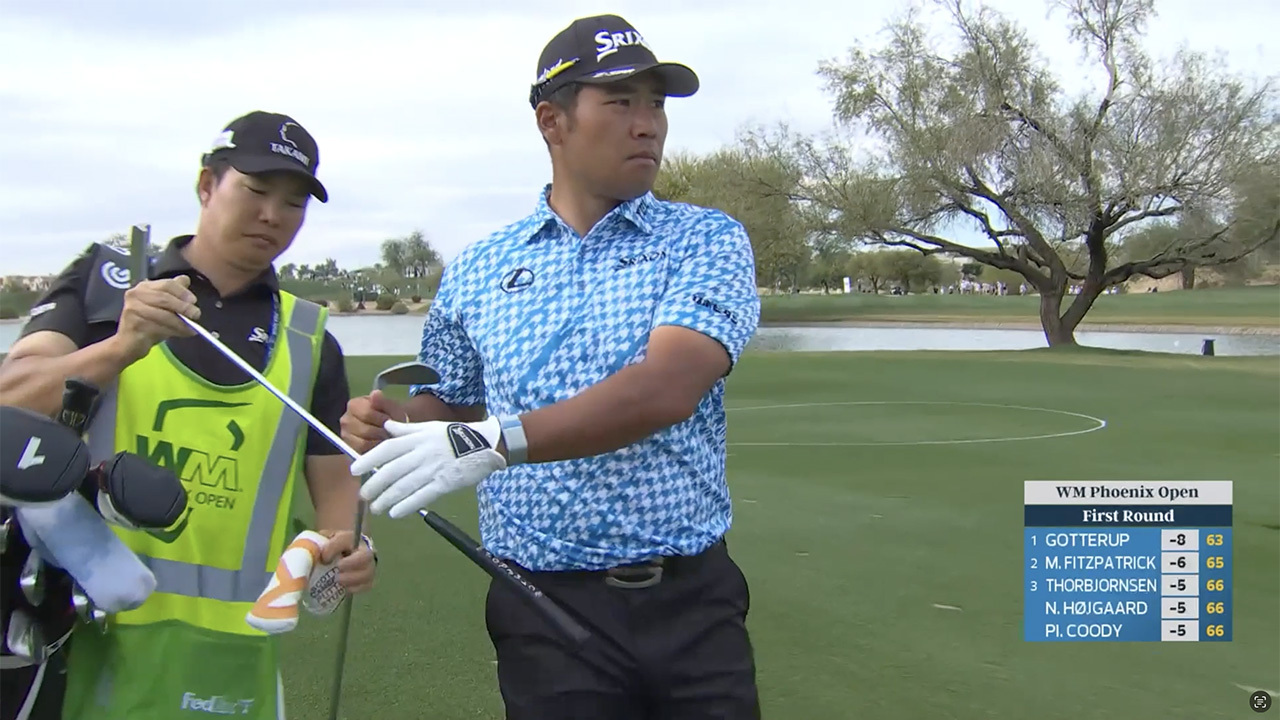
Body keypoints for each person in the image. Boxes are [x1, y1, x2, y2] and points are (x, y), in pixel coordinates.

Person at [341, 14, 762, 719]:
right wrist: (393, 421)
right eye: (620, 102)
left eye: (655, 104)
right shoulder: (480, 268)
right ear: (551, 122)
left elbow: (666, 389)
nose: (647, 125)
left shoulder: (704, 239)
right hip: (541, 608)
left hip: (690, 603)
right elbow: (456, 403)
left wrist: (494, 442)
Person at [0, 110, 378, 720]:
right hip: (78, 639)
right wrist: (119, 347)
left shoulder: (309, 338)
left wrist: (350, 549)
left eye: (294, 203)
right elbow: (10, 399)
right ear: (207, 185)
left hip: (229, 657)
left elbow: (338, 496)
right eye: (255, 191)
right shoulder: (108, 284)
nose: (272, 215)